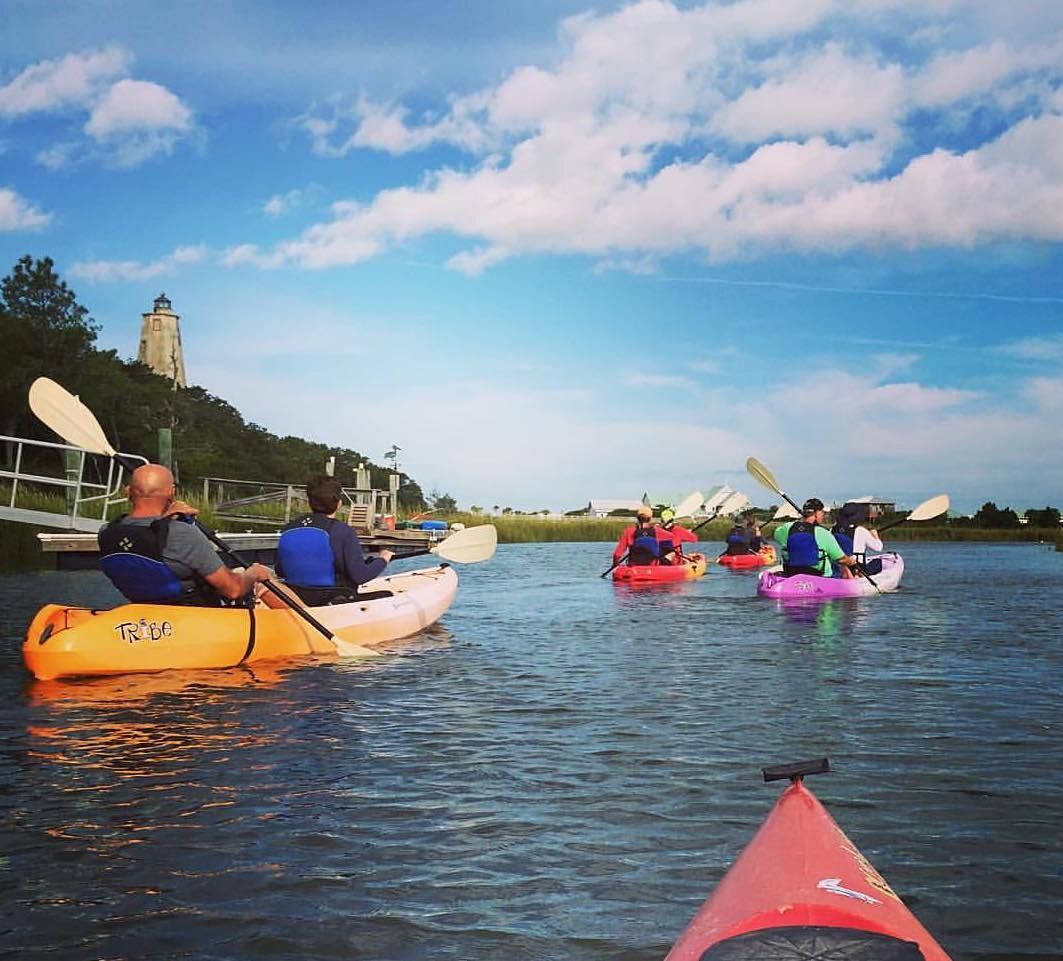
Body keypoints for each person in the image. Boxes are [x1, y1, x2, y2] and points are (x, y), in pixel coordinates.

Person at [98, 463, 281, 606]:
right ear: (172, 492)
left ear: (128, 492)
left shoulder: (107, 532)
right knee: (256, 574)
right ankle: (298, 624)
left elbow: (146, 535)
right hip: (192, 615)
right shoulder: (181, 533)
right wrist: (255, 573)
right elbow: (233, 589)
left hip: (145, 609)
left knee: (239, 572)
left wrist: (168, 518)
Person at [276, 474, 395, 604]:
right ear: (339, 504)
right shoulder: (343, 532)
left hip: (295, 599)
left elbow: (280, 570)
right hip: (334, 600)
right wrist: (383, 559)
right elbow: (360, 576)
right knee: (388, 595)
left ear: (309, 502)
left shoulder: (289, 528)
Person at [773, 497, 859, 579]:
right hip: (820, 577)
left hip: (791, 573)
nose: (823, 515)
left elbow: (776, 535)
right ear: (817, 513)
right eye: (822, 512)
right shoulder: (823, 533)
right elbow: (841, 559)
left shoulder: (785, 529)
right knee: (842, 567)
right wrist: (851, 561)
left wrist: (799, 522)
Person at [832, 502, 885, 575]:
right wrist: (875, 535)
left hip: (838, 567)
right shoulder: (861, 530)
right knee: (878, 562)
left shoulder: (833, 530)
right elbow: (878, 548)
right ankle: (858, 575)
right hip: (857, 567)